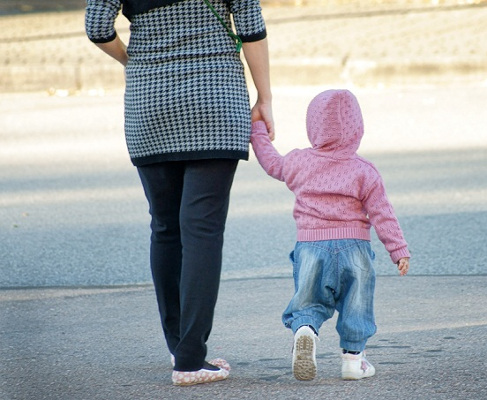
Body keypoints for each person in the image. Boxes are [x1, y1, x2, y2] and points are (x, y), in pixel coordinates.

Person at [85, 0, 274, 386]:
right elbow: (251, 25)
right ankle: (190, 358)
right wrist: (265, 97)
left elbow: (97, 26)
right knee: (202, 230)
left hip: (150, 101)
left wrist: (134, 61)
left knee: (166, 227)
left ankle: (180, 348)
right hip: (216, 98)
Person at [250, 89, 410, 381]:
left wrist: (257, 128)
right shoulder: (364, 171)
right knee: (356, 303)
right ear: (357, 129)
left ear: (312, 127)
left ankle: (305, 331)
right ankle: (353, 360)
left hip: (311, 246)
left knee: (309, 300)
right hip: (355, 248)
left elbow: (271, 161)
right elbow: (381, 212)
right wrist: (398, 249)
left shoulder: (299, 161)